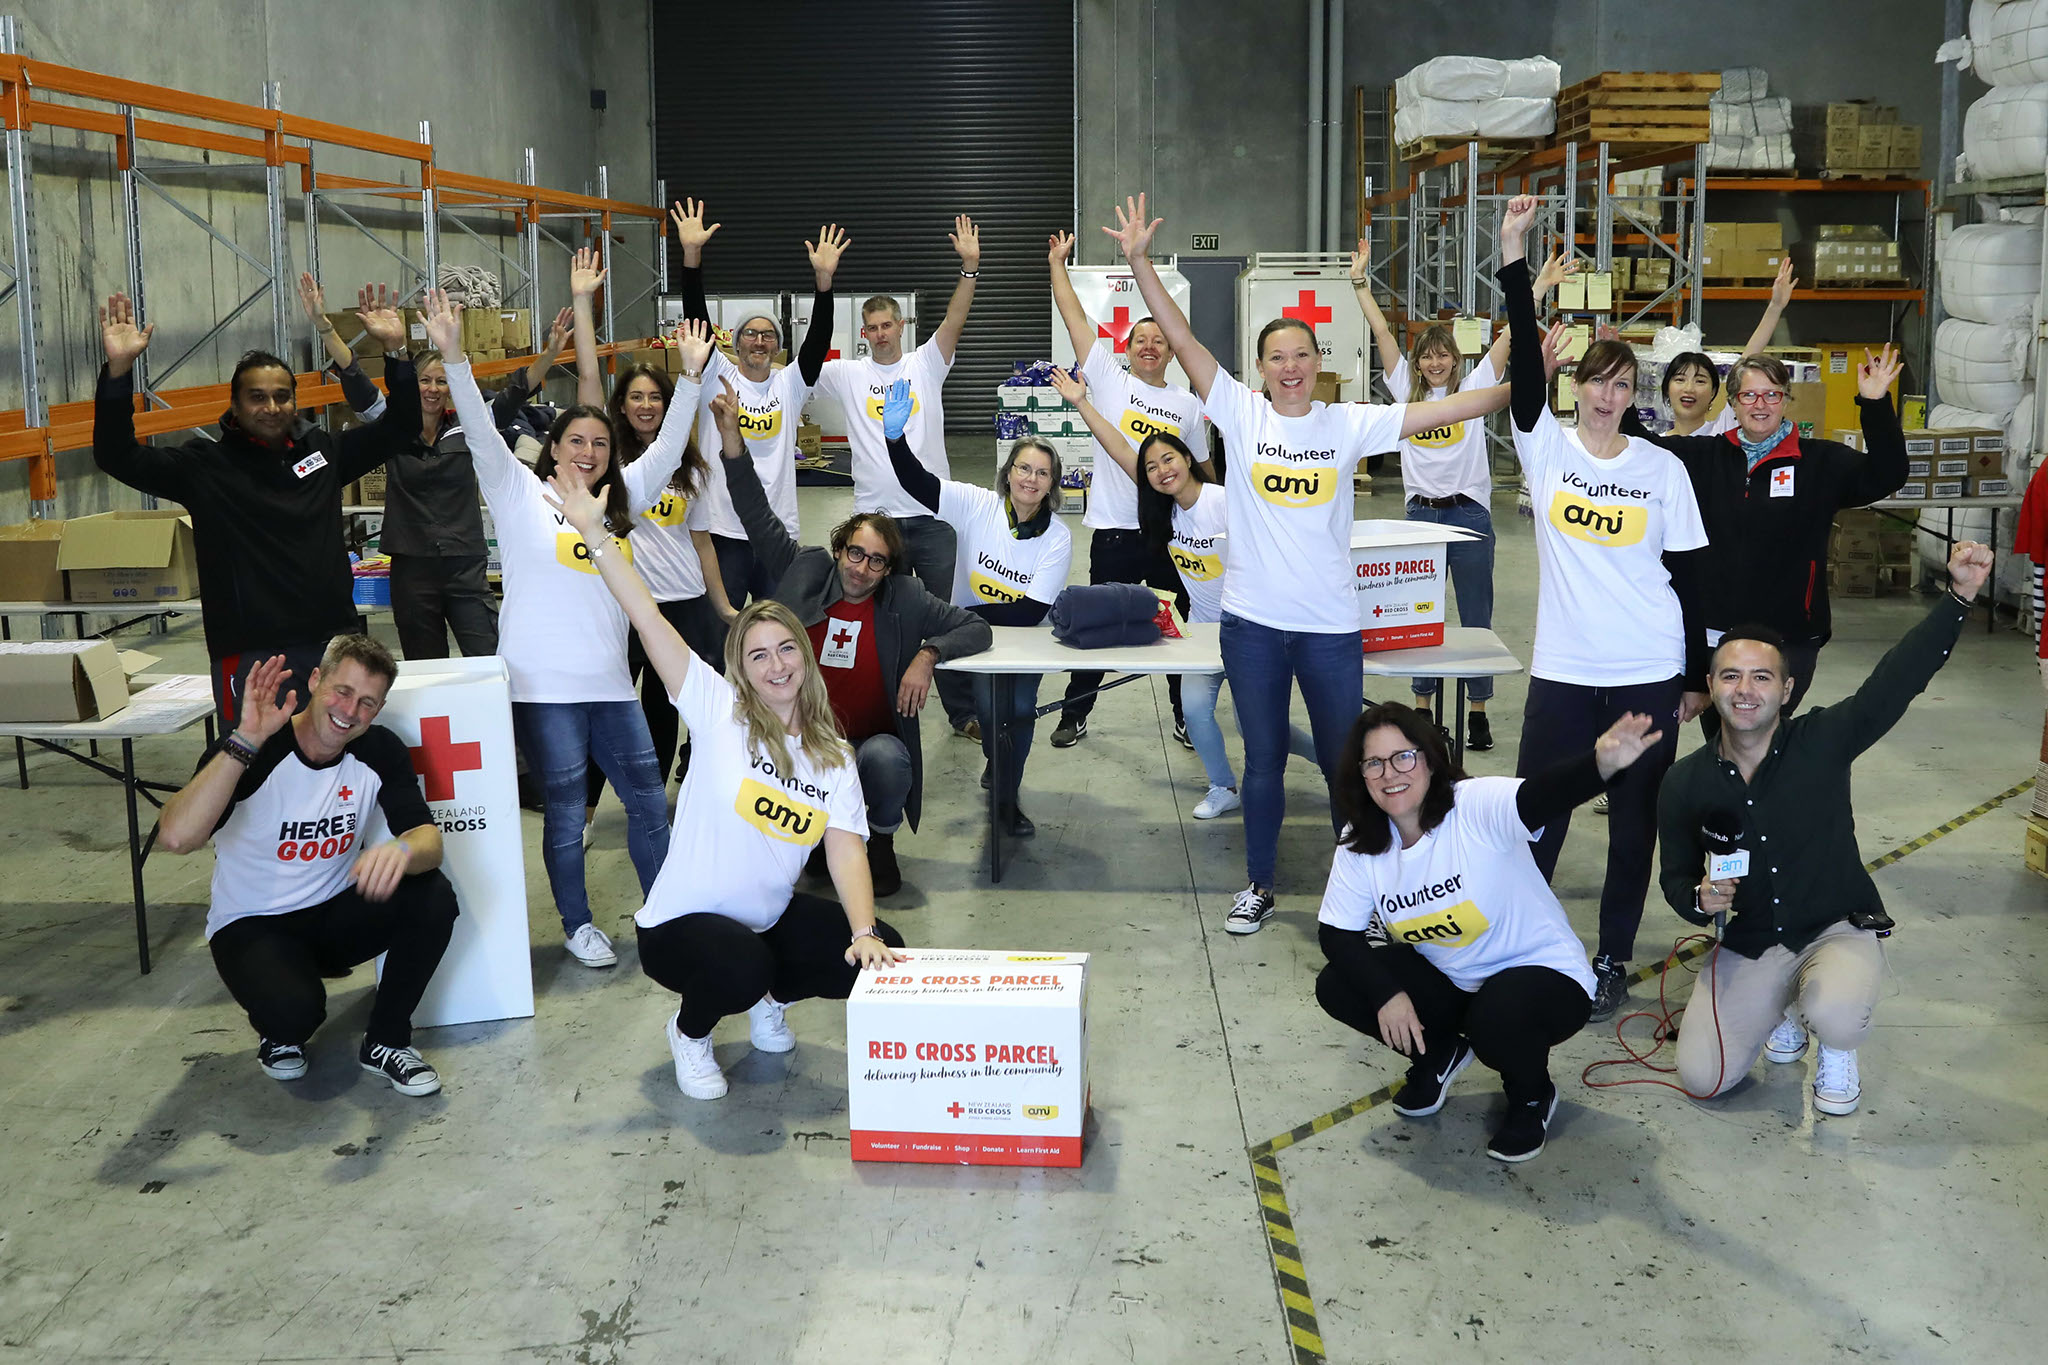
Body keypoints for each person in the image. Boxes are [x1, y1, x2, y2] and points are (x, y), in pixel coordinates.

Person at [1103, 192, 1512, 935]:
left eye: (1302, 355)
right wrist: (1137, 260)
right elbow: (1181, 335)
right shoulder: (1238, 409)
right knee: (1263, 763)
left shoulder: (1350, 423)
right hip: (1254, 626)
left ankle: (1360, 892)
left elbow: (1449, 410)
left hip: (1329, 627)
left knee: (1343, 765)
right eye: (1276, 357)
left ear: (1320, 362)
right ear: (1260, 368)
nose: (1290, 367)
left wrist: (1530, 386)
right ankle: (1259, 882)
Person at [550, 456, 907, 1101]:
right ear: (740, 668)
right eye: (758, 655)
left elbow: (846, 844)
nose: (776, 667)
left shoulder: (831, 755)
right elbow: (650, 620)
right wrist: (597, 537)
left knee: (882, 955)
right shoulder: (718, 710)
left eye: (786, 649)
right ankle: (690, 1033)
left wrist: (862, 933)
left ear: (805, 653)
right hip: (679, 928)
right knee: (741, 966)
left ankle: (774, 994)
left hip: (763, 920)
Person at [421, 288, 712, 969]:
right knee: (563, 813)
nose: (587, 451)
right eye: (575, 441)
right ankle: (578, 924)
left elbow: (669, 447)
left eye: (600, 443)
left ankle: (664, 911)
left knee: (647, 802)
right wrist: (454, 356)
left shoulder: (621, 501)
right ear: (553, 449)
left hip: (611, 684)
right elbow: (479, 429)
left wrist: (692, 379)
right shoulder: (518, 492)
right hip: (542, 688)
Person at [1658, 541, 1993, 1116]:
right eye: (1731, 676)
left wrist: (1958, 596)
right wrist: (1699, 898)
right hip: (1754, 938)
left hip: (1836, 927)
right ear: (1710, 687)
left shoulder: (1823, 742)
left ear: (1786, 692)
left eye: (1762, 677)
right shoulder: (1685, 783)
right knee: (1703, 1078)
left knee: (1836, 1013)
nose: (1746, 690)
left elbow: (1896, 680)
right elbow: (1675, 878)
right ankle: (1783, 1006)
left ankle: (1835, 1044)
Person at [1496, 193, 1713, 1021]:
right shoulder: (1545, 447)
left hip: (1647, 669)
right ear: (1576, 385)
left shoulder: (1663, 470)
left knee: (1631, 829)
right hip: (1563, 669)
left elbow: (1691, 580)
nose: (1609, 395)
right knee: (1538, 811)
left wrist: (1693, 675)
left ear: (1635, 395)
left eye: (1624, 385)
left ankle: (1613, 955)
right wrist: (1514, 255)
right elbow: (1523, 378)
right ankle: (1528, 938)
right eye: (1598, 381)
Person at [1316, 702, 1666, 1161]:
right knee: (1340, 984)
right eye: (1374, 763)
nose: (1390, 773)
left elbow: (1541, 795)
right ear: (1360, 775)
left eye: (1404, 756)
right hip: (1457, 983)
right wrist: (1388, 994)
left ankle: (1532, 1096)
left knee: (1496, 1021)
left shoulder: (1473, 804)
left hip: (1543, 974)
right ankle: (1438, 1052)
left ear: (1429, 759)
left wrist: (1598, 766)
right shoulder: (1362, 842)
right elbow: (1337, 934)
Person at [711, 379, 992, 895]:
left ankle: (878, 842)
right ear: (840, 550)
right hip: (804, 737)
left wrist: (928, 655)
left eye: (877, 561)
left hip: (870, 742)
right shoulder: (805, 573)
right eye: (855, 554)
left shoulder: (906, 599)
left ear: (889, 570)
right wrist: (732, 439)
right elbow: (755, 513)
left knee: (886, 761)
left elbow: (975, 627)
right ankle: (818, 837)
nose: (862, 568)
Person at [92, 290, 421, 727]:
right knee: (254, 773)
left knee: (339, 761)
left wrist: (396, 353)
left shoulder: (323, 455)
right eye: (258, 397)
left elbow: (402, 426)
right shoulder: (203, 467)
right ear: (235, 404)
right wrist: (118, 373)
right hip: (250, 653)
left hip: (332, 644)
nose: (271, 407)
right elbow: (115, 454)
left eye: (282, 396)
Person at [155, 638, 456, 1096]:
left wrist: (403, 851)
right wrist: (246, 740)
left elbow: (428, 839)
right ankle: (277, 1028)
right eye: (342, 691)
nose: (350, 710)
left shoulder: (378, 750)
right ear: (315, 680)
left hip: (331, 912)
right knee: (296, 1015)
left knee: (433, 895)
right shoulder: (252, 749)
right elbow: (177, 836)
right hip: (252, 924)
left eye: (367, 702)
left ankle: (386, 1040)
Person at [1049, 365, 1316, 820]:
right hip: (1207, 634)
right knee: (1196, 711)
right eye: (1151, 467)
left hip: (1254, 629)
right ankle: (1222, 786)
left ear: (1189, 457)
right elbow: (1119, 449)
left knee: (1260, 726)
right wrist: (1080, 402)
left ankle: (1335, 759)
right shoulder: (1165, 514)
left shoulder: (1226, 502)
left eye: (1168, 459)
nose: (1160, 470)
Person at [1354, 245, 1576, 750]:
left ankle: (1477, 710)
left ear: (1456, 360)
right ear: (1418, 362)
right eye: (1428, 355)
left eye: (1443, 355)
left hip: (1470, 515)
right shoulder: (1404, 390)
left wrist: (1536, 285)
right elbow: (1383, 334)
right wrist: (1361, 285)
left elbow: (1509, 336)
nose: (1435, 363)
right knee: (1418, 615)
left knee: (1476, 615)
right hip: (1419, 519)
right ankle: (1423, 708)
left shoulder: (1474, 387)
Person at [1624, 347, 1910, 721]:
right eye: (1749, 395)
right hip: (1717, 639)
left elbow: (1889, 474)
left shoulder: (1820, 462)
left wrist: (1874, 404)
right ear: (1733, 404)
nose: (1760, 404)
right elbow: (1640, 446)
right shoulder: (1703, 457)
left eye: (1772, 394)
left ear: (1786, 400)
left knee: (1764, 740)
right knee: (1724, 747)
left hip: (1791, 637)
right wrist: (1621, 377)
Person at [569, 245, 736, 835]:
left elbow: (704, 544)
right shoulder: (606, 463)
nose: (645, 405)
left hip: (685, 607)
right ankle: (585, 811)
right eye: (635, 397)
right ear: (621, 407)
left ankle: (654, 813)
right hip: (625, 603)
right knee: (611, 705)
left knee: (668, 711)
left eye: (655, 397)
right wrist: (583, 303)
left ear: (669, 407)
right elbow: (588, 378)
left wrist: (721, 607)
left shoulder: (687, 466)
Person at [811, 214, 984, 740]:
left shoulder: (926, 365)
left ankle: (963, 713)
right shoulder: (847, 374)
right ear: (862, 333)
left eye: (889, 325)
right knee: (880, 621)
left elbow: (954, 320)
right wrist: (823, 283)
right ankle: (880, 704)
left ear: (902, 326)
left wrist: (969, 268)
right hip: (876, 526)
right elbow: (803, 361)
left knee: (946, 615)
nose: (881, 335)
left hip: (932, 518)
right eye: (872, 328)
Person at [885, 382, 1073, 838]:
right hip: (976, 644)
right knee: (990, 715)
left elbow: (1030, 613)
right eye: (1023, 468)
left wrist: (961, 616)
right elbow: (919, 484)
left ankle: (1006, 799)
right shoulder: (976, 506)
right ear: (1007, 473)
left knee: (1021, 711)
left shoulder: (1058, 537)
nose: (1030, 479)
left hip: (1024, 643)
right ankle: (999, 758)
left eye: (1042, 473)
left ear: (1052, 483)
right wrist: (895, 438)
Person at [1045, 230, 1208, 752]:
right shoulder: (1112, 383)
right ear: (1128, 349)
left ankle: (1185, 714)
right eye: (1140, 339)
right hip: (1114, 533)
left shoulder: (1187, 405)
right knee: (1097, 629)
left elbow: (1205, 470)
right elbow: (1074, 319)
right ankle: (1075, 713)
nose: (1150, 345)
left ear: (1170, 351)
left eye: (1159, 339)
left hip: (1169, 535)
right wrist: (1057, 266)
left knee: (1173, 627)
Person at [667, 198, 846, 599]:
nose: (760, 340)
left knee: (778, 629)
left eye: (769, 335)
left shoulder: (790, 385)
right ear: (734, 340)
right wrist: (691, 255)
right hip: (724, 529)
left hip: (776, 530)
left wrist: (824, 283)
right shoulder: (717, 373)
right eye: (750, 333)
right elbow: (697, 315)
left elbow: (817, 342)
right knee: (723, 630)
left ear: (778, 347)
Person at [374, 310, 574, 661]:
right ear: (411, 384)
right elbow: (361, 392)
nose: (433, 389)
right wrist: (327, 329)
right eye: (424, 380)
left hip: (464, 563)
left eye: (441, 381)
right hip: (412, 567)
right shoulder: (391, 430)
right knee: (426, 669)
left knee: (488, 659)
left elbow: (515, 393)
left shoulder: (469, 427)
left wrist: (551, 352)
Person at [1660, 257, 1799, 438]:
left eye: (1700, 381)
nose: (1689, 388)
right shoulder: (1655, 445)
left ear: (1714, 393)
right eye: (1679, 379)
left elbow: (1747, 360)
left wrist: (1775, 307)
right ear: (1666, 389)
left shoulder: (1722, 431)